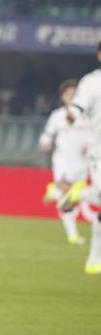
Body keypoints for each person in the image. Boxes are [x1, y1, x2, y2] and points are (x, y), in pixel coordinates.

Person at [60, 42, 101, 274]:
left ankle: (80, 193)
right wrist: (70, 116)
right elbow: (76, 109)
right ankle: (94, 260)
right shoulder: (92, 82)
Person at [40, 79, 91, 244]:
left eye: (75, 94)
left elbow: (95, 135)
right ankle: (73, 235)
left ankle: (53, 192)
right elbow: (46, 135)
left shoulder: (88, 115)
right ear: (62, 97)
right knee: (69, 191)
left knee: (72, 198)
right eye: (68, 94)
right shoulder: (57, 116)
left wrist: (89, 146)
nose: (72, 97)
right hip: (63, 160)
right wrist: (45, 143)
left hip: (82, 161)